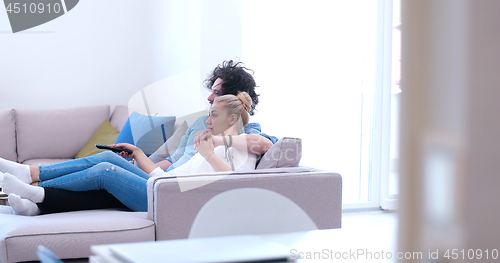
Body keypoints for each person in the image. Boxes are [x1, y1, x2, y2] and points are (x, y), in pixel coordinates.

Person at [1, 92, 257, 215]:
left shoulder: (242, 149)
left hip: (170, 201)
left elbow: (235, 184)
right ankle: (32, 179)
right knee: (109, 157)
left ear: (232, 118)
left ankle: (38, 188)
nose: (207, 119)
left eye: (214, 114)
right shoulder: (213, 145)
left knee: (106, 171)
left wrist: (209, 154)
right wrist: (138, 154)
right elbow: (165, 175)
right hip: (162, 187)